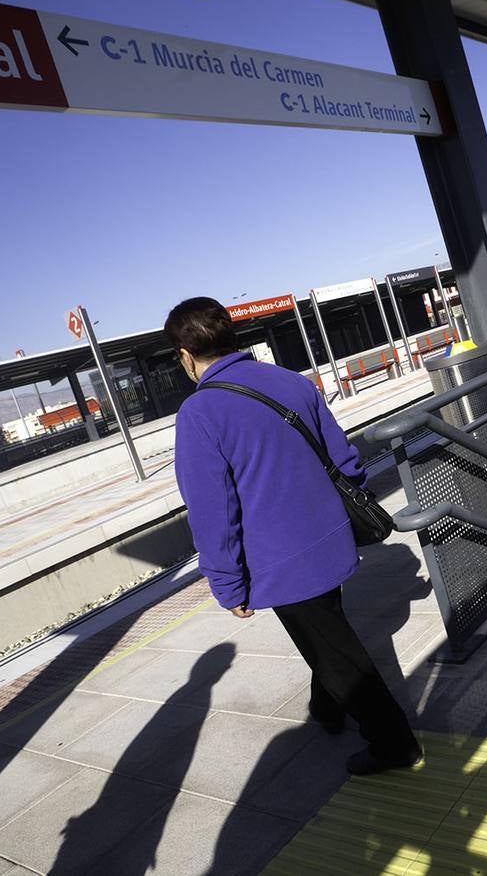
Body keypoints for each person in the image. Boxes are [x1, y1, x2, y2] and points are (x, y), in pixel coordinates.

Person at [166, 297, 422, 776]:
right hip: (331, 537)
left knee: (337, 652)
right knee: (327, 630)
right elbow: (345, 458)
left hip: (280, 562)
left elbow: (212, 513)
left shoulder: (200, 412)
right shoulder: (288, 380)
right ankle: (326, 709)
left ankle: (394, 744)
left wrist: (227, 583)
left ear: (185, 353)